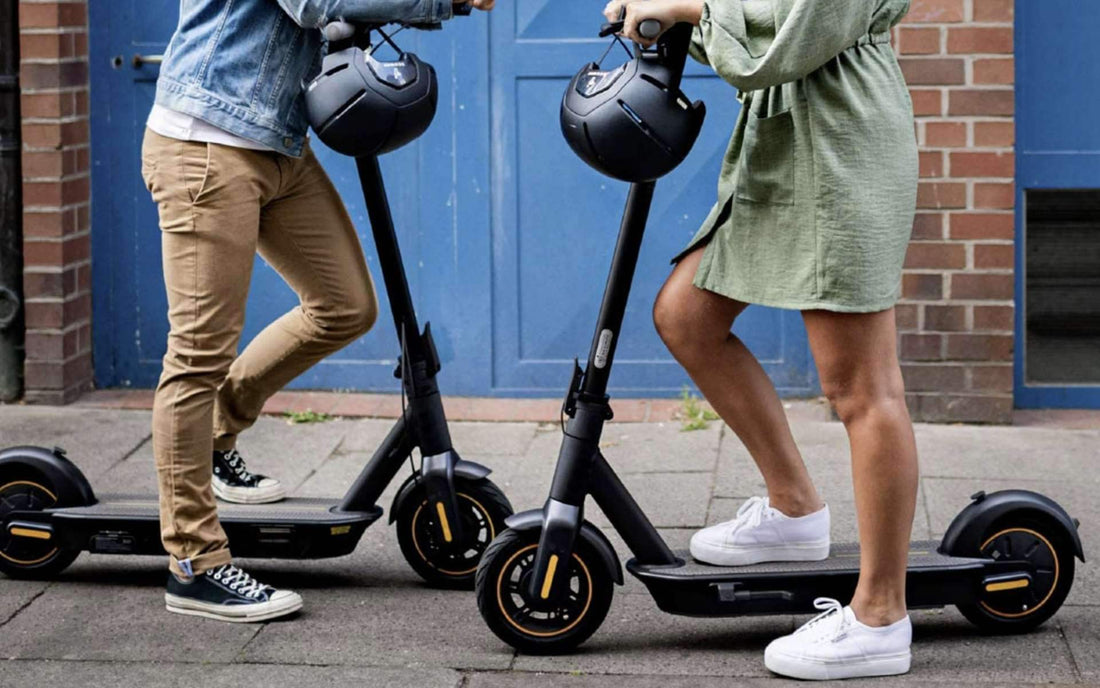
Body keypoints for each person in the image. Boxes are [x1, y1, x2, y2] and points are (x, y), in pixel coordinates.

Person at [141, 0, 493, 623]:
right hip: (208, 145)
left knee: (344, 305)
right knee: (196, 356)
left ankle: (215, 436)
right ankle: (193, 563)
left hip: (276, 143)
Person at [605, 0, 919, 680]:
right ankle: (794, 509)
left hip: (842, 152)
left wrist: (686, 8)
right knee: (688, 317)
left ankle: (880, 616)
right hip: (779, 150)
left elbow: (782, 39)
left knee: (861, 389)